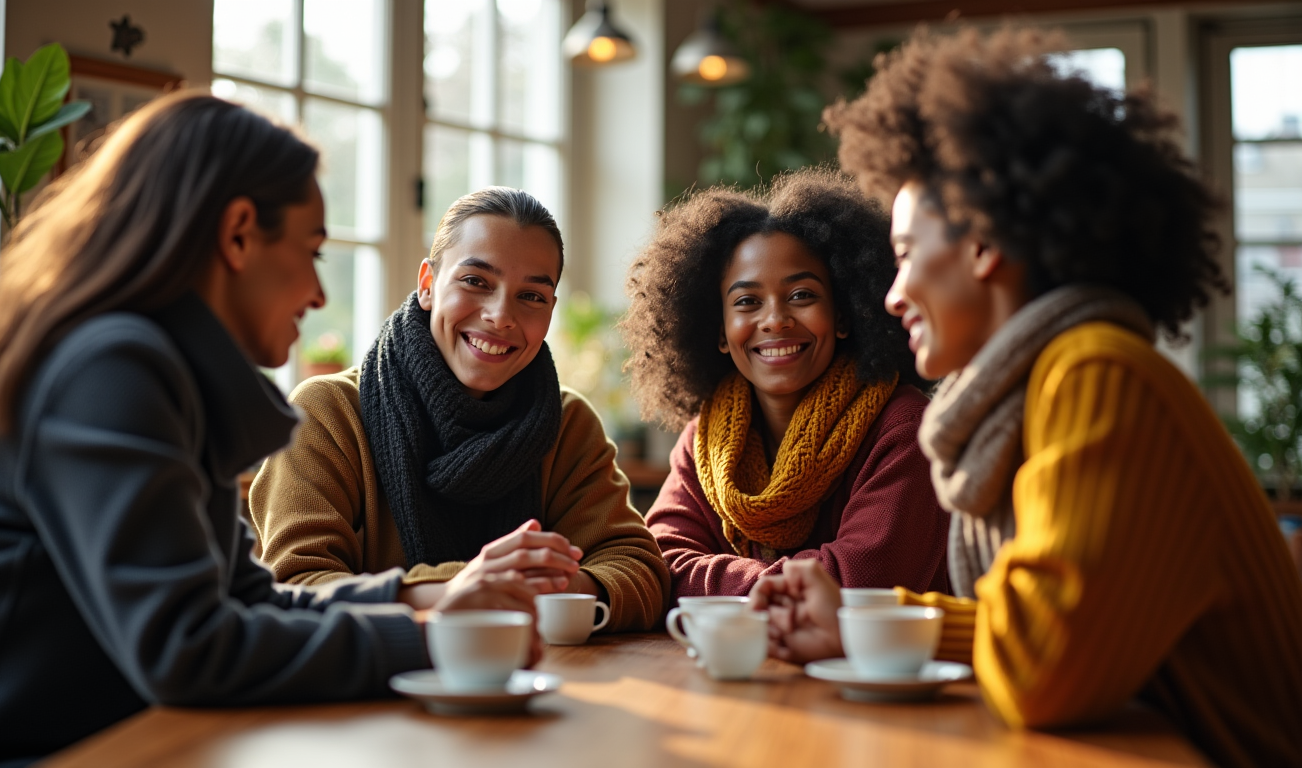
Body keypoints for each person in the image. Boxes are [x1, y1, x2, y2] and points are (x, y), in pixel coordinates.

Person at [754, 28, 1302, 768]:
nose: (892, 295)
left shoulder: (1098, 377)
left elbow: (1042, 670)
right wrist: (853, 620)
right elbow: (1034, 627)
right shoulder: (1056, 380)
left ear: (982, 243)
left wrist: (864, 623)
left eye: (908, 254)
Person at [0, 93, 538, 767]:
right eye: (312, 250)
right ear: (238, 234)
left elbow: (248, 599)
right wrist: (432, 641)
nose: (321, 294)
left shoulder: (161, 373)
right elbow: (190, 647)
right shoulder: (111, 369)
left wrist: (419, 600)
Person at [247, 187, 669, 632]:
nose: (501, 315)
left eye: (532, 296)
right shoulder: (326, 413)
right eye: (476, 281)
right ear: (428, 284)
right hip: (376, 689)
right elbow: (295, 587)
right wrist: (469, 587)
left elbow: (639, 569)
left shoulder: (568, 425)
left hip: (540, 683)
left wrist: (537, 587)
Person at [621, 168, 951, 601]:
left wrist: (722, 583)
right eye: (747, 302)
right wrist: (779, 585)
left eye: (802, 296)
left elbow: (860, 585)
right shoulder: (704, 442)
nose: (775, 320)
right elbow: (661, 564)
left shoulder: (904, 430)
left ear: (844, 315)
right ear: (720, 331)